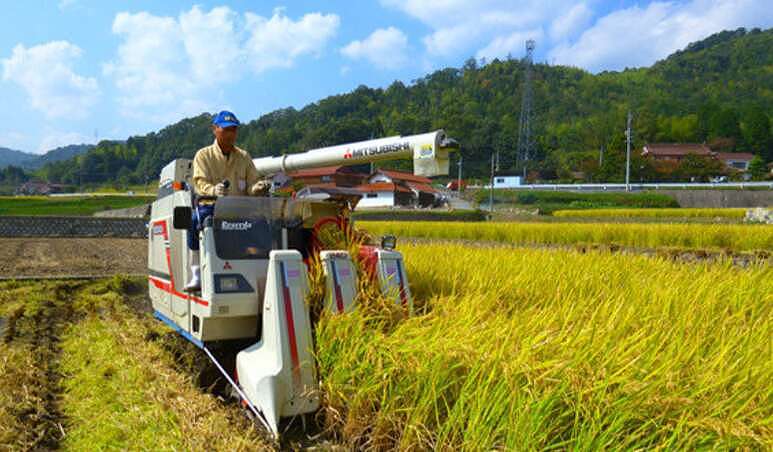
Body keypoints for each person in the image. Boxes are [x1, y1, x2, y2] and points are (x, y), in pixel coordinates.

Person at [184, 110, 270, 291]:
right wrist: (214, 190)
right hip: (212, 207)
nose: (230, 133)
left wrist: (258, 188)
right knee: (193, 221)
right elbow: (199, 182)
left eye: (233, 129)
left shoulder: (244, 157)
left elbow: (252, 184)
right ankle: (197, 272)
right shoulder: (203, 155)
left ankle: (263, 268)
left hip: (240, 209)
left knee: (264, 223)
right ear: (215, 129)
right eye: (226, 129)